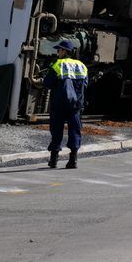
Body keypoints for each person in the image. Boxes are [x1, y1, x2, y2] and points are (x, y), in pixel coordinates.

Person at [43, 39, 88, 169]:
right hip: (76, 105)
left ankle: (54, 160)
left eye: (59, 50)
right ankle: (73, 160)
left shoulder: (58, 64)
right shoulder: (81, 66)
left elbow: (48, 83)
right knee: (74, 130)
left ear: (64, 51)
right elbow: (85, 84)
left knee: (57, 131)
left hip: (60, 104)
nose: (57, 52)